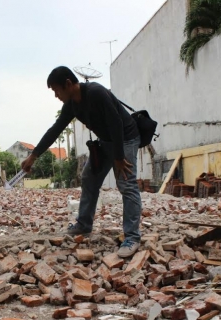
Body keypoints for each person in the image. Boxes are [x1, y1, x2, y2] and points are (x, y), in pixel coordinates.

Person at [22, 66, 142, 258]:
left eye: (56, 90)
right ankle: (84, 224)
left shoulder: (96, 93)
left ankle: (132, 237)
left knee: (126, 184)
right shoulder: (71, 105)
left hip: (125, 139)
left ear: (68, 84)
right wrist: (33, 155)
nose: (56, 95)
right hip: (106, 141)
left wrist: (119, 158)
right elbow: (55, 130)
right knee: (89, 177)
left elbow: (116, 123)